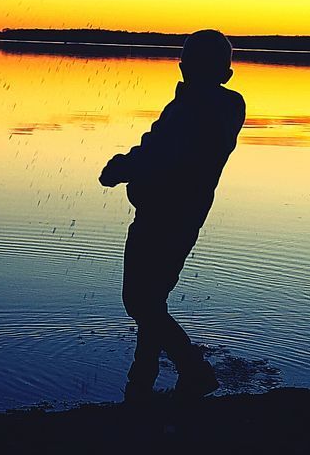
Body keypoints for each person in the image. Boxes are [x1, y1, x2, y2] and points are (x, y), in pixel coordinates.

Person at [99, 29, 245, 401]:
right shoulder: (227, 106)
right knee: (153, 299)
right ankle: (143, 373)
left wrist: (120, 168)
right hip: (187, 216)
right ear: (227, 74)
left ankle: (194, 369)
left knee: (138, 300)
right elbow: (162, 147)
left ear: (181, 68)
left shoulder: (189, 109)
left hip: (160, 216)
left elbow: (159, 152)